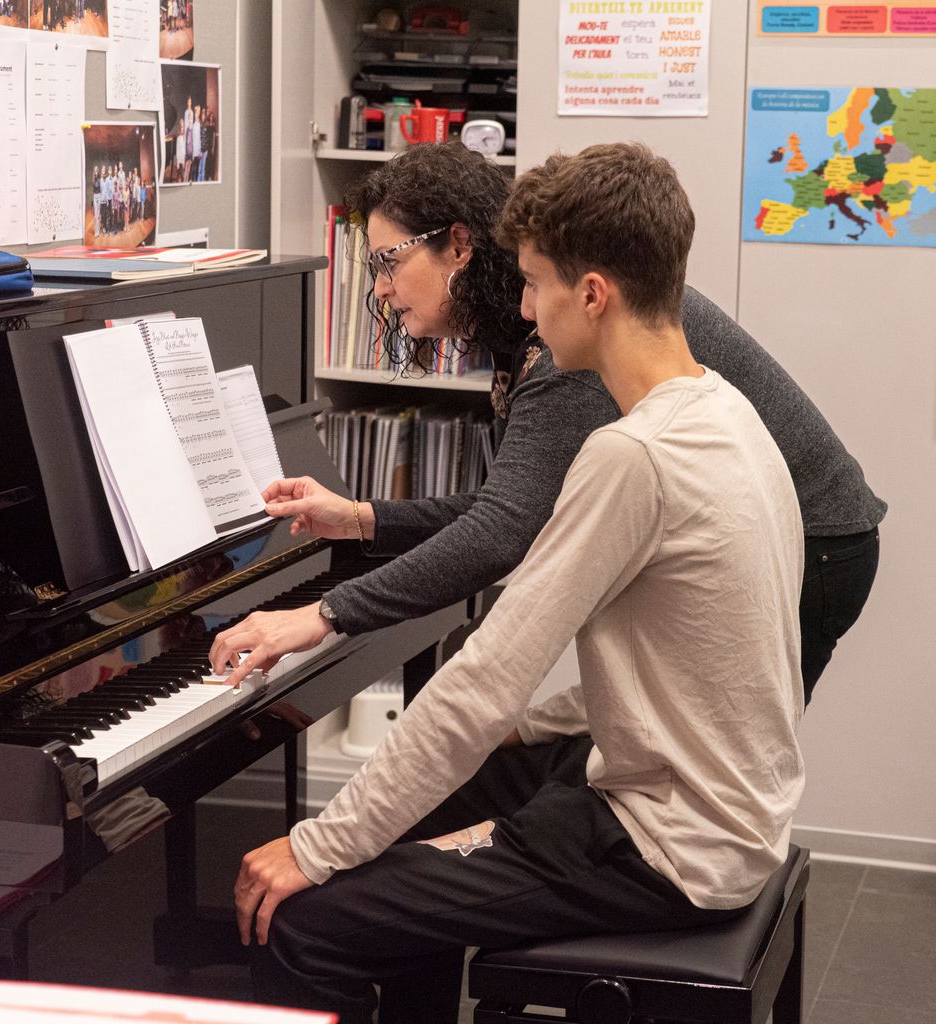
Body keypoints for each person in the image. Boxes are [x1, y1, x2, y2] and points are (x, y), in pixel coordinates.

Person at [227, 142, 805, 1024]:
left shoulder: (630, 455)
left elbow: (486, 678)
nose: (525, 306)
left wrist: (316, 846)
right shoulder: (724, 412)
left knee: (304, 916)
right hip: (723, 806)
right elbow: (708, 668)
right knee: (440, 794)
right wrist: (528, 732)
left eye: (535, 284)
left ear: (594, 294)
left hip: (667, 846)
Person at [210, 141, 885, 707]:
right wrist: (362, 518)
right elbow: (517, 503)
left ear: (459, 247)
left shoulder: (565, 349)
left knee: (702, 776)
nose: (379, 289)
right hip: (812, 536)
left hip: (818, 546)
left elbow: (506, 529)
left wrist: (320, 615)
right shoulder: (527, 327)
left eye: (388, 261)